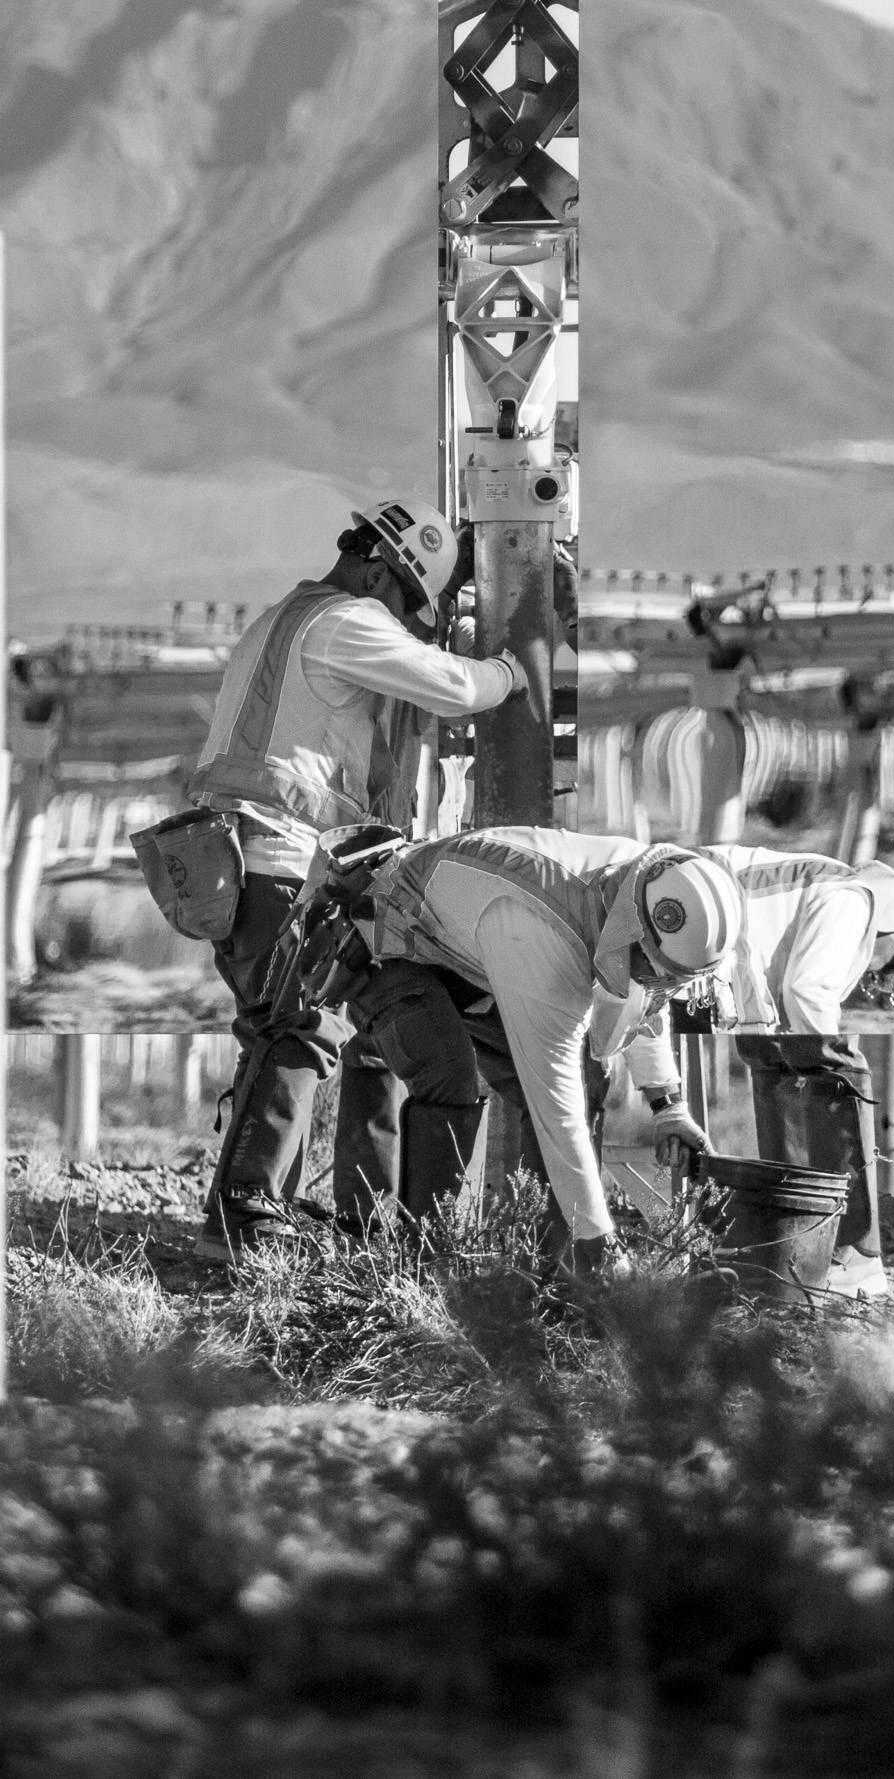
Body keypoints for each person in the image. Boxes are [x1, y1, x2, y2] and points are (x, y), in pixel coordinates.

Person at [182, 499, 525, 1252]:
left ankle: (266, 1218)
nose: (404, 621)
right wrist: (510, 663)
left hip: (240, 861)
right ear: (379, 568)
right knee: (299, 1030)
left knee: (290, 1032)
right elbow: (458, 688)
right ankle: (245, 1221)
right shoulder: (346, 621)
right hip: (280, 860)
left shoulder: (288, 617)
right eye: (407, 602)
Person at [317, 826, 743, 1274]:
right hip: (387, 939)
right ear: (632, 934)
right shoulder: (541, 931)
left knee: (589, 1074)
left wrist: (668, 1105)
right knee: (449, 1070)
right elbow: (555, 1106)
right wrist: (601, 1241)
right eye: (655, 972)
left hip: (465, 953)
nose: (654, 985)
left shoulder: (643, 883)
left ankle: (544, 1269)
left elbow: (643, 998)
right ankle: (430, 1265)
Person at [688, 848, 894, 1298]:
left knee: (774, 1063)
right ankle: (855, 1255)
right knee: (834, 1068)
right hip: (699, 918)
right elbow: (807, 989)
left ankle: (797, 1252)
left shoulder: (830, 888)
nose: (885, 974)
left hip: (695, 927)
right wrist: (827, 1058)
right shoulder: (856, 899)